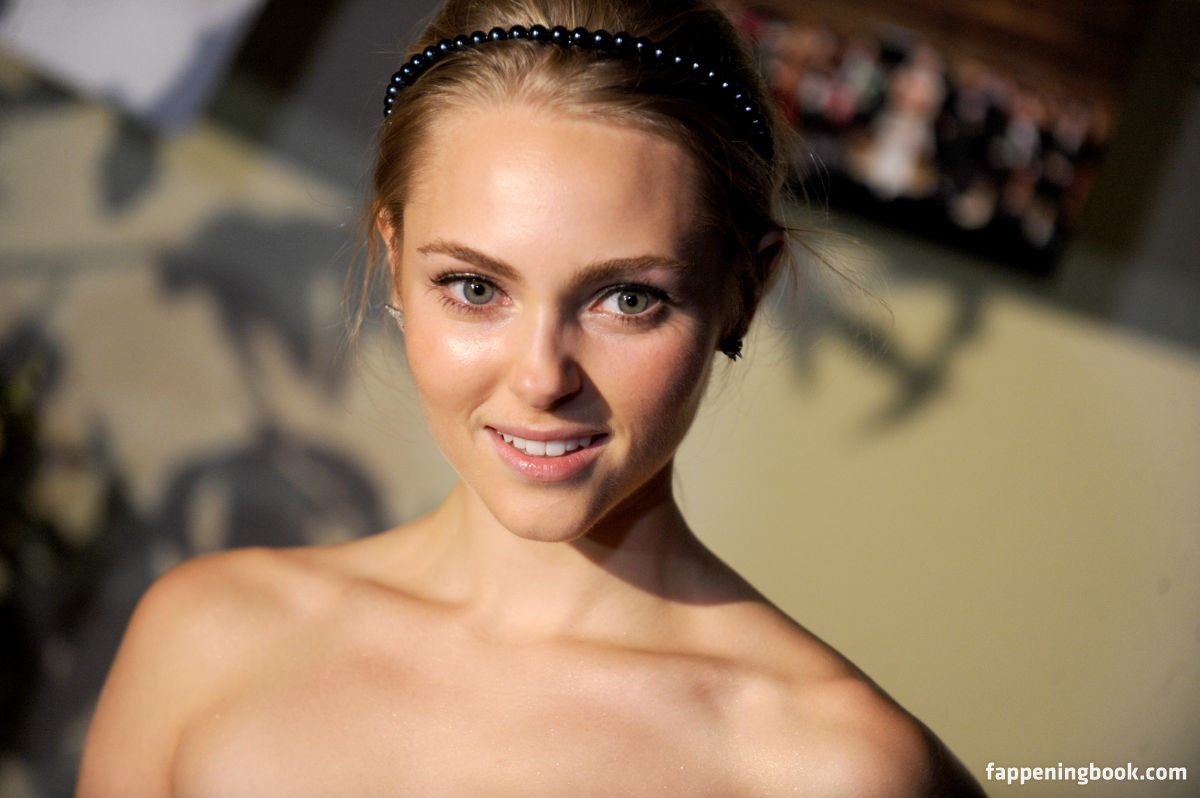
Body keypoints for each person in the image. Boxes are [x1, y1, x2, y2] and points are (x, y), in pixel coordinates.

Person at [77, 1, 984, 795]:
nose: (543, 378)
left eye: (627, 299)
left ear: (743, 290)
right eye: (475, 288)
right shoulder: (204, 641)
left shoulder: (838, 769)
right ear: (393, 261)